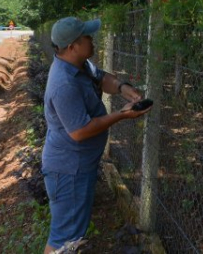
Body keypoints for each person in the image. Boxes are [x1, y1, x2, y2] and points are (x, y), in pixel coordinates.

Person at [42, 16, 151, 253]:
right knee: (65, 239)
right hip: (69, 170)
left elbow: (100, 77)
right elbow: (80, 131)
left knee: (70, 233)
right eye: (88, 37)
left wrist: (123, 88)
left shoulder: (79, 65)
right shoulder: (63, 84)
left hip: (78, 166)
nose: (93, 40)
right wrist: (122, 115)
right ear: (73, 46)